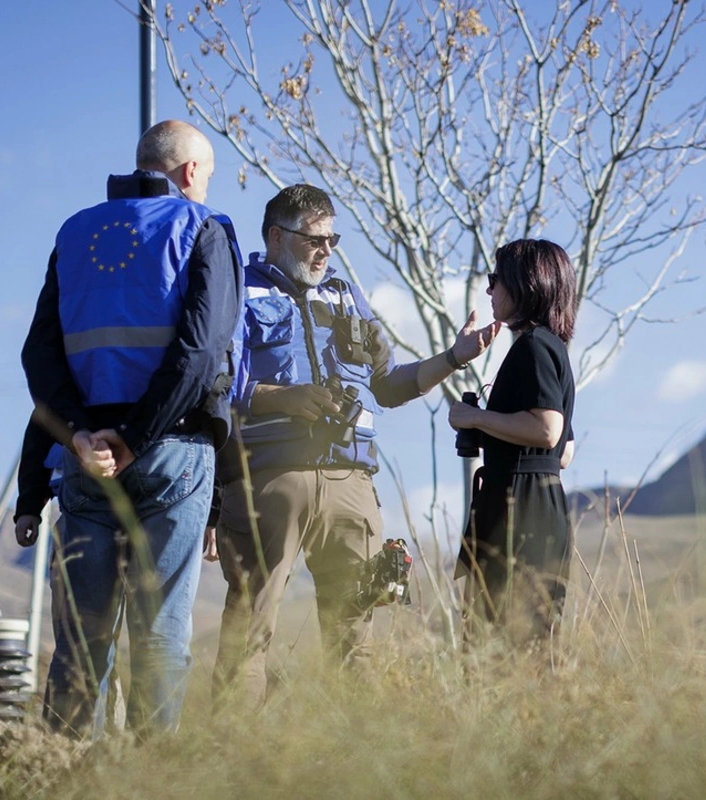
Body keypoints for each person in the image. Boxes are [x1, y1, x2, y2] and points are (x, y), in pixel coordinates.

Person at [212, 183, 500, 708]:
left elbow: (390, 385)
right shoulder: (238, 289)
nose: (326, 250)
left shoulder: (347, 294)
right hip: (268, 481)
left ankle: (355, 767)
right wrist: (282, 397)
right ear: (276, 236)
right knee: (249, 631)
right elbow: (216, 381)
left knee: (355, 641)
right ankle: (232, 762)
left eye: (332, 239)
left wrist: (455, 356)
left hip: (352, 486)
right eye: (314, 239)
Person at [20, 120, 242, 738]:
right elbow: (202, 354)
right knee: (160, 636)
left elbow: (39, 355)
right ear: (191, 173)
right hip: (169, 453)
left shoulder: (72, 233)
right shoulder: (204, 227)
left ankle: (58, 775)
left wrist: (81, 438)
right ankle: (150, 782)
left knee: (80, 644)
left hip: (85, 461)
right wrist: (136, 437)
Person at [447, 239, 577, 649]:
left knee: (498, 649)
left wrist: (475, 418)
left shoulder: (534, 347)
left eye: (495, 280)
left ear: (525, 284)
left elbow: (548, 432)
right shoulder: (552, 348)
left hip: (517, 511)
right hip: (543, 507)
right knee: (531, 646)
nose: (489, 291)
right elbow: (565, 453)